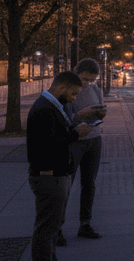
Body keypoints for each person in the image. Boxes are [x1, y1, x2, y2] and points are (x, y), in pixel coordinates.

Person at [27, 71, 94, 261]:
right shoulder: (44, 109)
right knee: (47, 229)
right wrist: (75, 134)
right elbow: (47, 144)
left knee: (51, 228)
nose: (74, 99)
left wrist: (73, 128)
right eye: (73, 94)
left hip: (55, 175)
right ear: (62, 87)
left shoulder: (52, 106)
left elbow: (54, 135)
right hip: (49, 176)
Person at [64, 58, 107, 242]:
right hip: (75, 142)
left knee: (89, 184)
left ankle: (85, 223)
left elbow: (101, 108)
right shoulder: (67, 90)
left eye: (90, 80)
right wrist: (82, 114)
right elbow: (65, 120)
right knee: (66, 184)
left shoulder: (95, 89)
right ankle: (57, 227)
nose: (86, 83)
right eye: (83, 78)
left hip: (94, 139)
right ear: (76, 72)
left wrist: (100, 113)